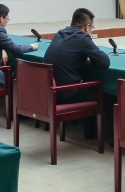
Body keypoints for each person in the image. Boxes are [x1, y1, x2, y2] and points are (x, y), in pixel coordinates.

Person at [43, 8, 110, 139]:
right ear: (87, 27)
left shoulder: (60, 33)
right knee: (106, 93)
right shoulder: (82, 38)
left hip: (50, 91)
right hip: (66, 93)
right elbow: (104, 62)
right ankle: (99, 135)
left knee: (85, 85)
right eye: (92, 28)